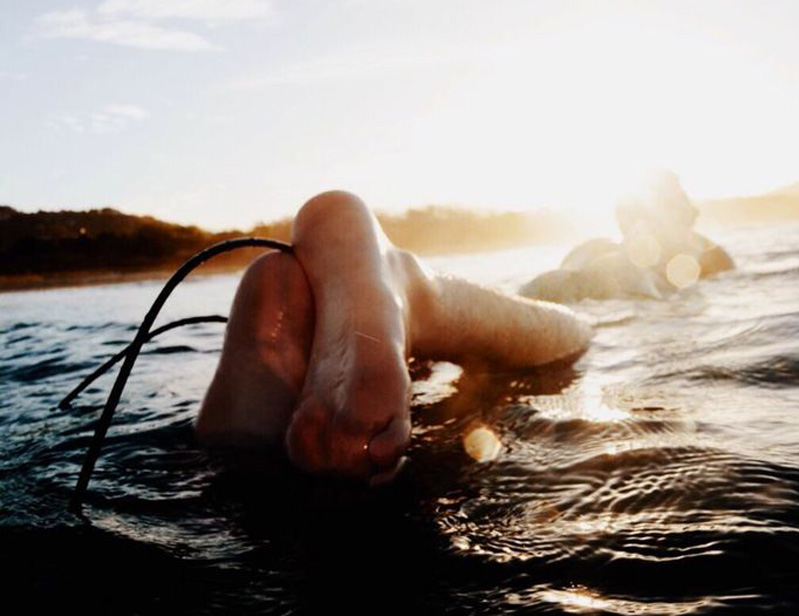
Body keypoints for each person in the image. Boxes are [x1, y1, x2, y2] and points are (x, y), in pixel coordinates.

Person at [194, 190, 595, 487]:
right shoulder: (595, 258)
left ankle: (239, 447)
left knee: (239, 473)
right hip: (586, 291)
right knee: (581, 329)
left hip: (555, 285)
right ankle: (420, 297)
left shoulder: (580, 259)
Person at [519, 170, 733, 302]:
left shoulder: (711, 259)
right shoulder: (592, 254)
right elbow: (543, 293)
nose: (694, 212)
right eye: (680, 201)